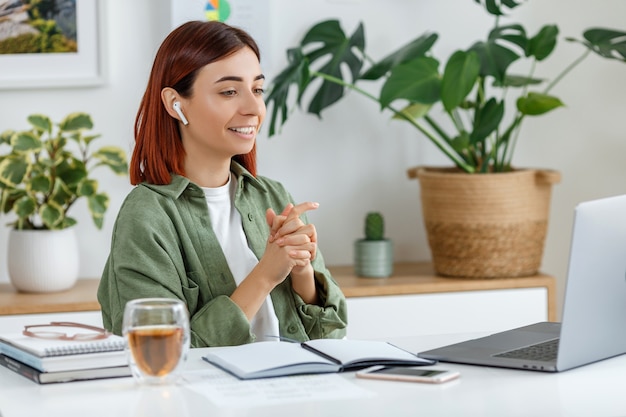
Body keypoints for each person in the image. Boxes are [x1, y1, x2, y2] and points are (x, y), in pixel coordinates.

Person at [97, 20, 348, 348]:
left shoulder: (273, 196)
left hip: (298, 390)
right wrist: (265, 275)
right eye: (229, 91)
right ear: (176, 103)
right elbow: (156, 352)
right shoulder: (148, 216)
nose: (253, 108)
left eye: (257, 89)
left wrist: (301, 272)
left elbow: (331, 339)